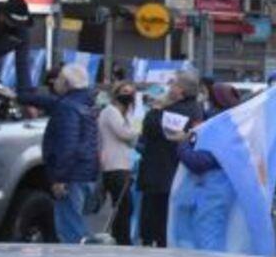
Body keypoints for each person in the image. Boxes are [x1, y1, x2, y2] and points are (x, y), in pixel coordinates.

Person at [20, 64, 99, 244]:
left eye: (59, 78)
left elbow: (67, 145)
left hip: (71, 175)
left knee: (70, 230)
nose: (55, 82)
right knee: (77, 223)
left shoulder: (67, 107)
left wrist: (59, 178)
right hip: (85, 172)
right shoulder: (85, 103)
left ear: (67, 83)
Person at [173, 82, 243, 249]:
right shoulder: (230, 124)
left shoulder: (221, 128)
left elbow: (200, 161)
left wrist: (184, 143)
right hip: (213, 189)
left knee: (208, 239)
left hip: (214, 191)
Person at [135, 72, 202, 247]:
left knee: (157, 223)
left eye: (173, 84)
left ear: (181, 90)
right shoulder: (196, 108)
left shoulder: (175, 111)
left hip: (161, 174)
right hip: (175, 172)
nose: (169, 87)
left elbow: (150, 129)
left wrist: (156, 108)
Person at [98, 80, 140, 244]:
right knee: (123, 206)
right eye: (124, 91)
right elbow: (124, 133)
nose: (128, 95)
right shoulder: (111, 112)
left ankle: (120, 238)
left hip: (123, 164)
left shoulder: (124, 115)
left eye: (130, 92)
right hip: (114, 166)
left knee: (123, 207)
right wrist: (136, 131)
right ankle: (122, 240)